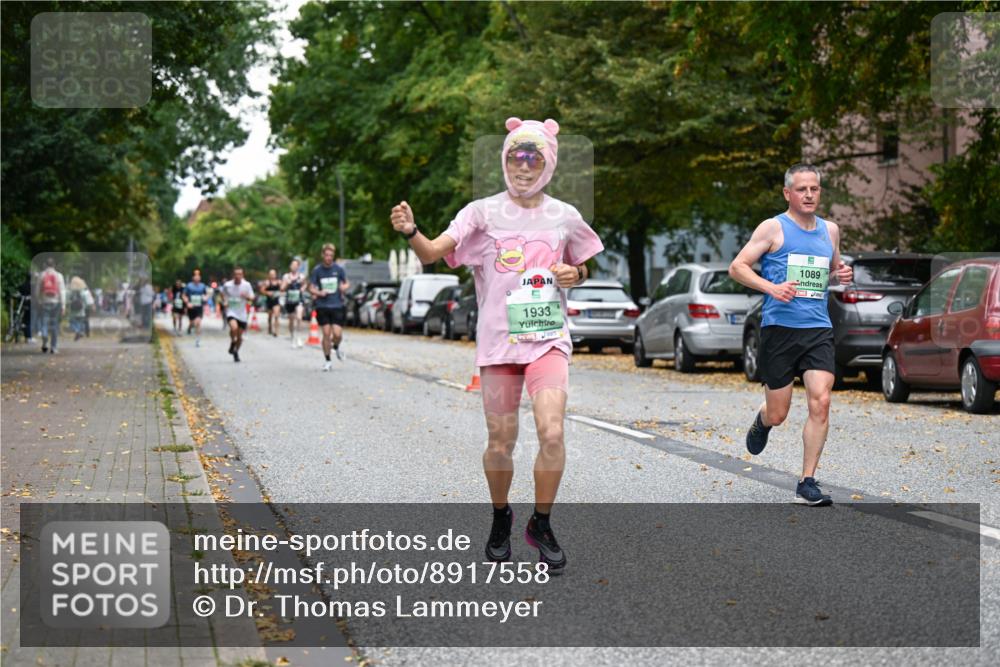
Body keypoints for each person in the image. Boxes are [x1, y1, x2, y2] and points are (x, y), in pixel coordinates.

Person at [390, 117, 603, 573]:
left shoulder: (565, 215)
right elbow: (433, 254)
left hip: (548, 341)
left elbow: (585, 265)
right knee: (501, 441)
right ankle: (501, 515)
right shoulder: (481, 213)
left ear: (549, 163)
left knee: (552, 432)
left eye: (534, 157)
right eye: (515, 155)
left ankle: (541, 523)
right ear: (504, 161)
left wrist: (575, 274)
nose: (523, 165)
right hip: (498, 344)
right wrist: (411, 232)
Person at [728, 163, 853, 507]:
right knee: (779, 413)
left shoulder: (830, 231)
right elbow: (737, 267)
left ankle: (807, 481)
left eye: (814, 189)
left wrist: (841, 275)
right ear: (788, 193)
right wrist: (772, 287)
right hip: (779, 330)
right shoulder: (773, 228)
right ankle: (764, 418)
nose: (809, 194)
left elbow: (832, 272)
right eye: (802, 189)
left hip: (817, 328)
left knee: (821, 400)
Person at [308, 244, 350, 371]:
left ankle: (336, 346)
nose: (329, 258)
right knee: (326, 333)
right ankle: (327, 360)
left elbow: (347, 282)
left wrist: (344, 287)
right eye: (326, 255)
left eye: (331, 256)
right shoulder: (317, 270)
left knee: (337, 334)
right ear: (323, 255)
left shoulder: (339, 269)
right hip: (323, 305)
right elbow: (311, 288)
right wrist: (319, 293)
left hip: (337, 305)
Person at [220, 266, 254, 363]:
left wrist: (246, 296)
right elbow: (222, 293)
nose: (238, 276)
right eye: (236, 274)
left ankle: (235, 351)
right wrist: (225, 301)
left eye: (240, 274)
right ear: (233, 275)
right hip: (231, 311)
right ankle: (233, 342)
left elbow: (252, 297)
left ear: (242, 275)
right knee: (234, 328)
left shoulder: (247, 285)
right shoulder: (228, 285)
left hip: (242, 313)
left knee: (240, 337)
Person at [36, 257, 66, 354]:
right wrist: (63, 305)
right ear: (54, 265)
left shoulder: (42, 275)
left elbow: (37, 290)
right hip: (56, 302)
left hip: (44, 302)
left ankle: (44, 338)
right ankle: (53, 347)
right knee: (55, 325)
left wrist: (39, 300)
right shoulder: (59, 276)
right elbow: (62, 291)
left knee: (44, 322)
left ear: (45, 265)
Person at [281, 258, 306, 348]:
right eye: (293, 265)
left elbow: (305, 284)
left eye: (296, 265)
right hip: (290, 300)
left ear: (298, 267)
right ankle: (292, 337)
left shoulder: (301, 276)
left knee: (299, 317)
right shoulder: (286, 276)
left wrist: (303, 288)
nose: (294, 267)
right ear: (290, 267)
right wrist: (287, 283)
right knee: (291, 320)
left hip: (299, 299)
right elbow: (282, 288)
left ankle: (299, 337)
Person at [183, 269, 208, 347]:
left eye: (198, 275)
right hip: (191, 307)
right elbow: (184, 295)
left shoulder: (203, 286)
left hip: (199, 307)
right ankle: (189, 328)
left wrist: (205, 298)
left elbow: (206, 295)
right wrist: (187, 303)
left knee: (198, 323)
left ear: (200, 277)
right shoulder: (189, 285)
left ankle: (197, 339)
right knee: (192, 323)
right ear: (193, 277)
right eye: (195, 275)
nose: (197, 277)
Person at [67, 276, 93, 341]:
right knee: (81, 322)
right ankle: (81, 332)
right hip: (81, 310)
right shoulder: (83, 291)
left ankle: (77, 331)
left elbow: (67, 299)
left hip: (73, 311)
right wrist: (88, 306)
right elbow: (87, 301)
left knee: (72, 322)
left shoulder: (71, 291)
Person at [262, 268, 283, 337]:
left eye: (273, 274)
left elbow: (282, 289)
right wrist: (267, 292)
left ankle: (276, 331)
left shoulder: (279, 282)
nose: (272, 275)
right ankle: (270, 327)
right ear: (269, 275)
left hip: (276, 301)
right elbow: (262, 290)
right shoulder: (267, 282)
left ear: (276, 274)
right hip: (269, 301)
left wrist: (281, 291)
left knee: (276, 315)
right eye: (271, 274)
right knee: (270, 316)